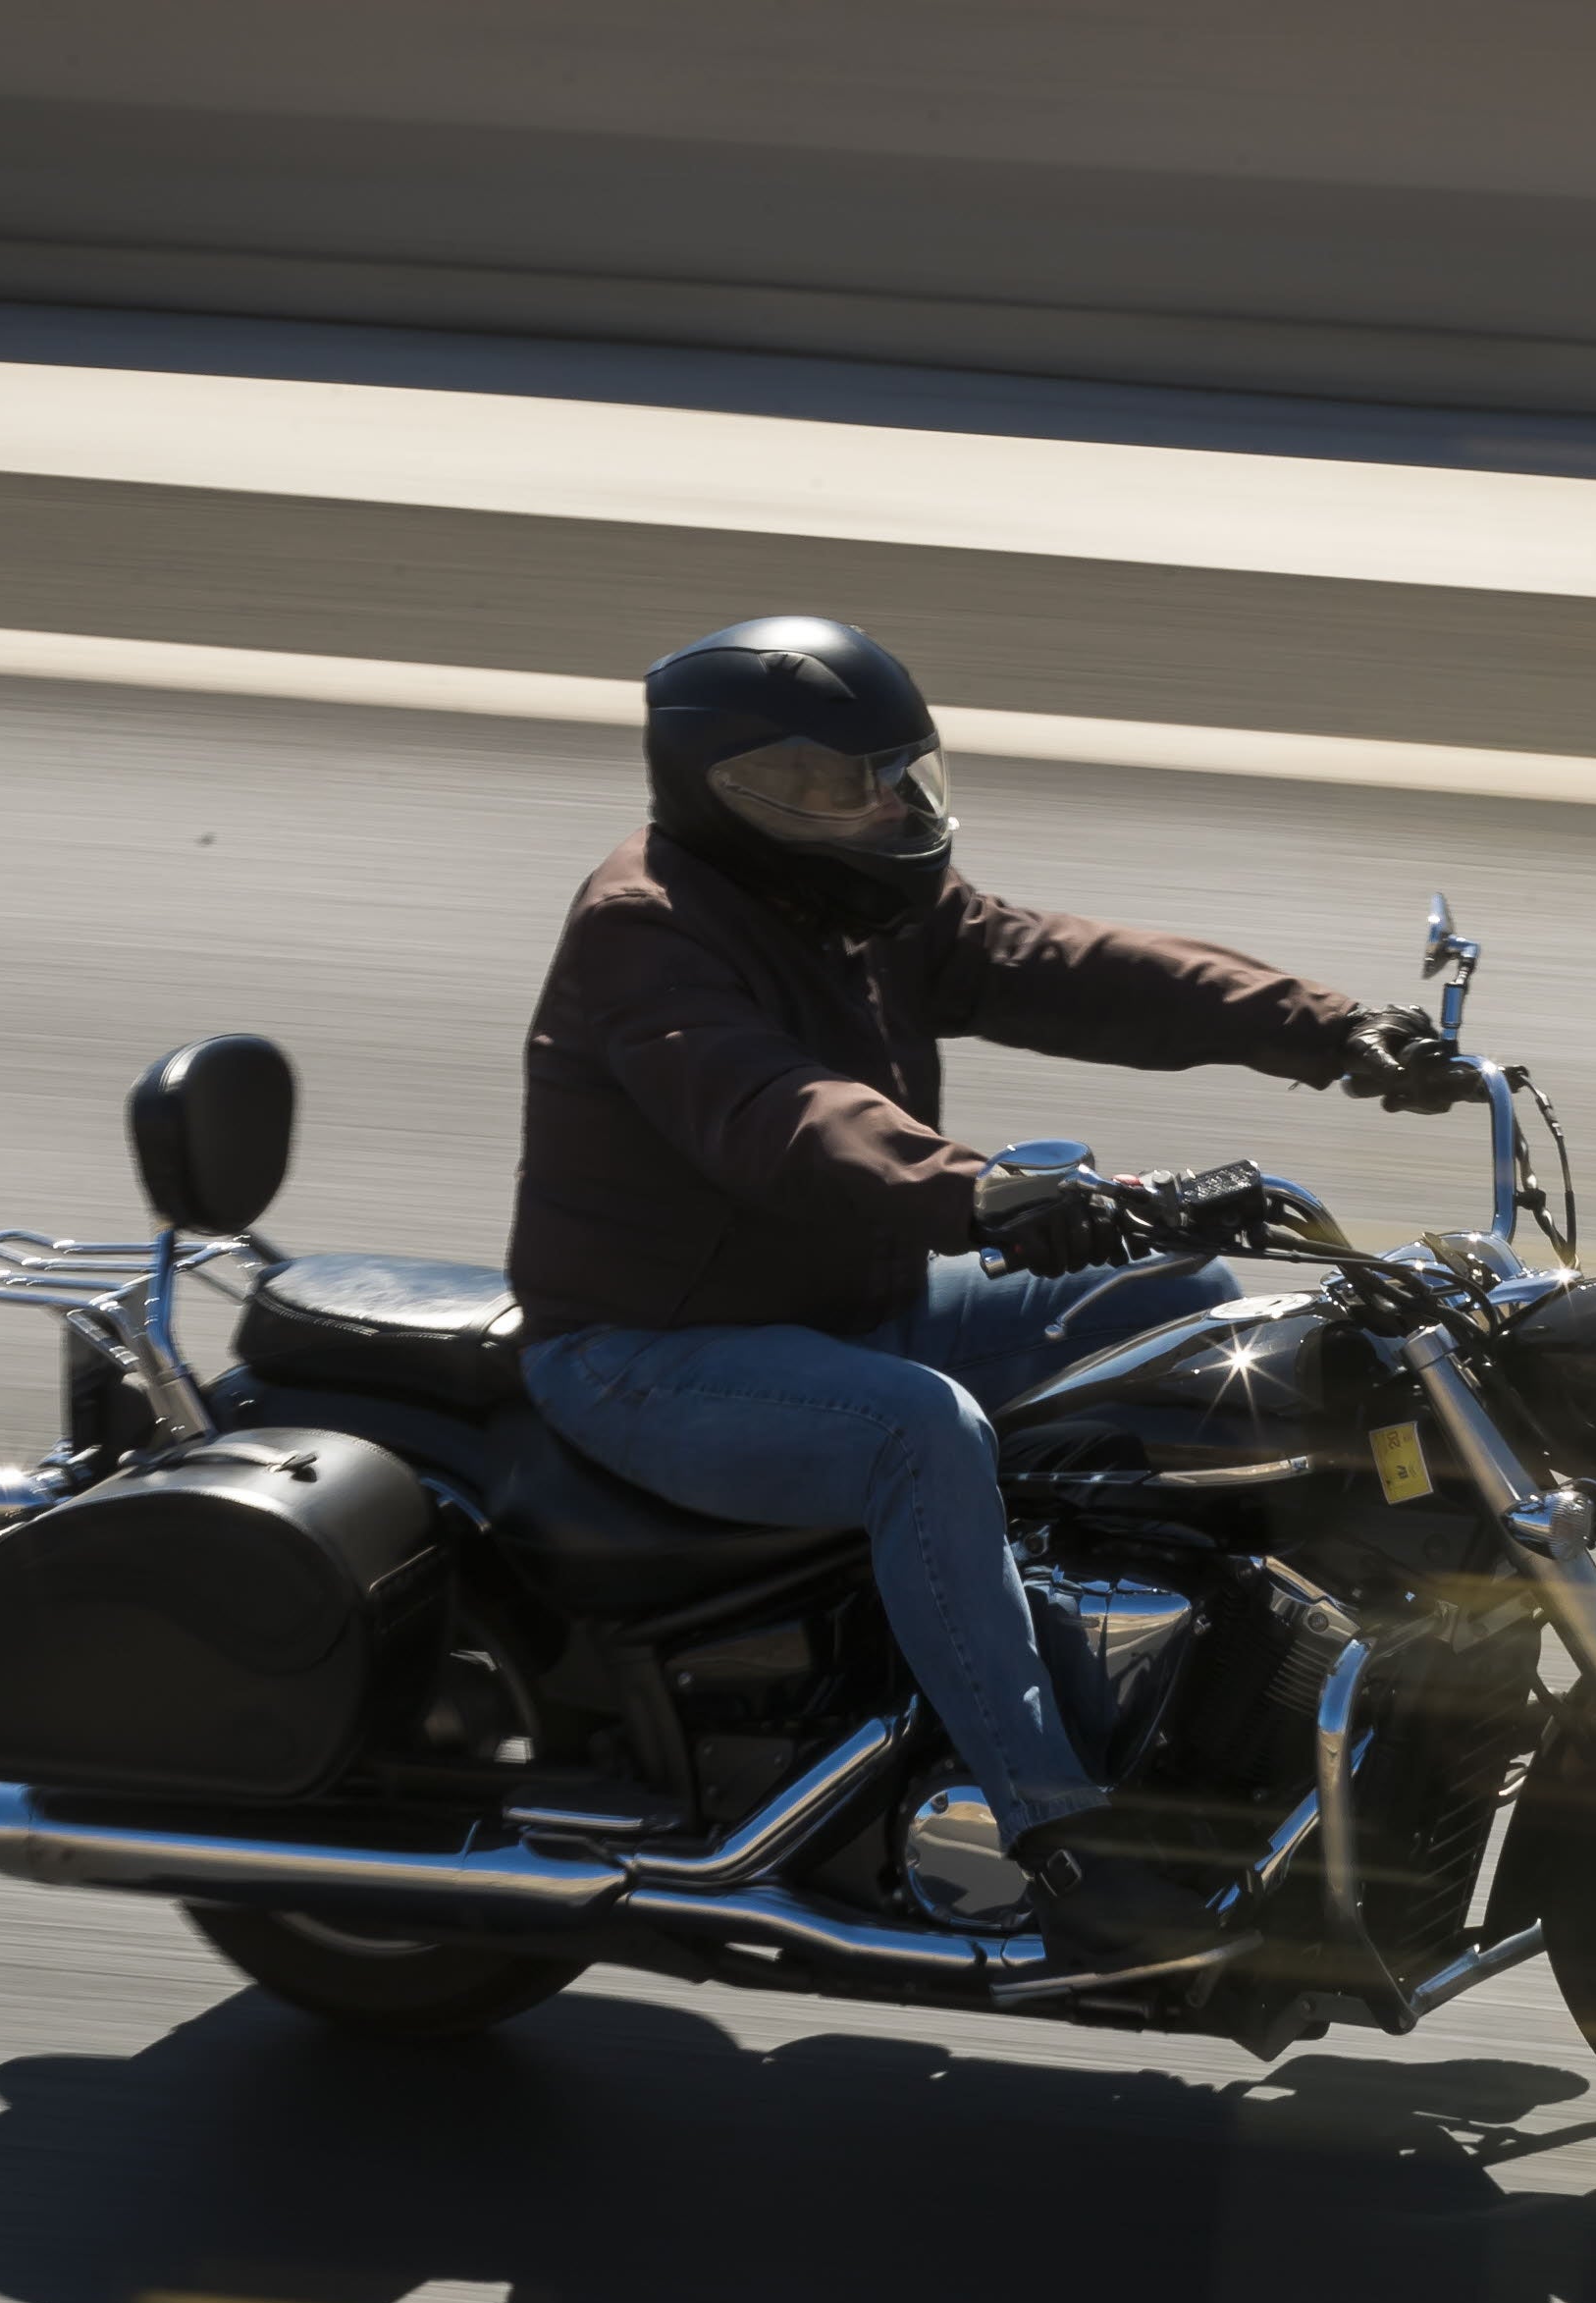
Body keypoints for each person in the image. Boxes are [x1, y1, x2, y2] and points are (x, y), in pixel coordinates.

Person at [507, 616, 1477, 1963]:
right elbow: (780, 1115)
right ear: (737, 792)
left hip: (854, 1296)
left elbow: (1068, 965)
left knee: (1178, 1292)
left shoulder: (859, 900)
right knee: (922, 1433)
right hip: (653, 1351)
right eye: (844, 784)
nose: (890, 807)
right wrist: (979, 1193)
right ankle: (1061, 1830)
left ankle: (1219, 1676)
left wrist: (1326, 1028)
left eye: (901, 773)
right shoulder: (649, 929)